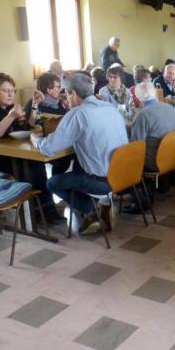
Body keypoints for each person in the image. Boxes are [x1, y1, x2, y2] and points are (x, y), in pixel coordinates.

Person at [30, 74, 129, 233]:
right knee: (78, 166)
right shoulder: (109, 107)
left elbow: (48, 148)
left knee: (52, 183)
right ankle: (102, 204)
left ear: (73, 94)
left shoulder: (77, 114)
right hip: (125, 174)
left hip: (103, 182)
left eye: (66, 94)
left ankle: (93, 208)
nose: (65, 99)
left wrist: (35, 140)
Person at [0, 72, 64, 223]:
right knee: (28, 167)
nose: (10, 94)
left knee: (35, 163)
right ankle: (36, 212)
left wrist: (34, 105)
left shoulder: (11, 107)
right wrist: (11, 116)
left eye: (12, 91)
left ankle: (43, 210)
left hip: (6, 154)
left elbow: (27, 126)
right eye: (5, 90)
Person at [130, 81, 175, 174]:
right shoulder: (169, 107)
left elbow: (136, 146)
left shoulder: (142, 115)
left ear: (137, 97)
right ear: (154, 93)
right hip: (174, 156)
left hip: (154, 161)